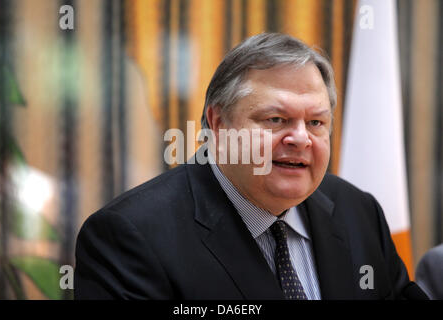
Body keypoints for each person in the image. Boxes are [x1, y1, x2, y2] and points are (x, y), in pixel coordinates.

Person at [74, 33, 427, 300]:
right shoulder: (130, 236)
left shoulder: (358, 212)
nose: (301, 139)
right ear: (219, 124)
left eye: (317, 123)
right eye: (276, 119)